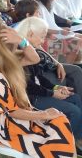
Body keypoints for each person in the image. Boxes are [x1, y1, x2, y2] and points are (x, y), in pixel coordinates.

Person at [0, 24, 76, 157]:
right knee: (58, 123)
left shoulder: (1, 61)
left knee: (60, 121)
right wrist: (44, 114)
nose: (16, 47)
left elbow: (35, 58)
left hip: (16, 117)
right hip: (6, 128)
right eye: (14, 45)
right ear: (6, 47)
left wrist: (22, 40)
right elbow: (11, 112)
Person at [15, 17, 82, 154]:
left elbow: (40, 78)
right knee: (73, 111)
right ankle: (67, 147)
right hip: (31, 99)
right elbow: (29, 87)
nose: (43, 41)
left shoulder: (32, 51)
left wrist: (56, 88)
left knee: (75, 98)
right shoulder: (19, 53)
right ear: (30, 34)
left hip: (40, 93)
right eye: (42, 37)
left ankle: (76, 139)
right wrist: (52, 93)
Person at [35, 0, 82, 64]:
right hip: (45, 38)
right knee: (77, 42)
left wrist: (62, 29)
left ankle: (71, 65)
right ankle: (66, 66)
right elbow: (41, 28)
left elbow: (51, 24)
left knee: (80, 38)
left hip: (53, 34)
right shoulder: (38, 6)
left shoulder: (48, 5)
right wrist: (60, 31)